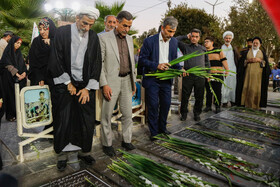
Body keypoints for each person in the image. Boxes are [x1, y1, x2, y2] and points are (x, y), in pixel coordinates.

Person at [48, 6, 102, 171]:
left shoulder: (93, 37)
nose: (87, 28)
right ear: (77, 18)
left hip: (85, 86)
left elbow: (96, 63)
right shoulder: (62, 32)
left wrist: (87, 88)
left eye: (90, 25)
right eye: (84, 23)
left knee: (85, 120)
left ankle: (84, 152)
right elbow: (55, 59)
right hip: (64, 84)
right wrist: (67, 83)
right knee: (63, 119)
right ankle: (62, 155)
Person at [99, 11, 136, 157]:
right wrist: (104, 84)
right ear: (117, 22)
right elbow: (99, 63)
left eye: (129, 26)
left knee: (128, 114)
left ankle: (127, 140)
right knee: (106, 115)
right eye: (125, 25)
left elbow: (132, 62)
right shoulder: (103, 38)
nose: (127, 29)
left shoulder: (130, 39)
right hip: (111, 82)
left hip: (127, 81)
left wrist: (133, 82)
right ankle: (107, 144)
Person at [138, 16, 181, 140]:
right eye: (169, 31)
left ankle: (162, 128)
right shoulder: (149, 41)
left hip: (166, 79)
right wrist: (157, 65)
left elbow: (174, 60)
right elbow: (142, 60)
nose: (171, 35)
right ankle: (154, 132)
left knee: (166, 104)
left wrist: (179, 69)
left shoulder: (174, 42)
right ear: (162, 28)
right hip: (152, 78)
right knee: (153, 105)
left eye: (173, 32)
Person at [177, 29, 209, 121]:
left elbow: (207, 62)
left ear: (199, 38)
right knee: (185, 96)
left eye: (196, 37)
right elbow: (175, 40)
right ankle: (184, 114)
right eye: (192, 36)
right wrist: (185, 36)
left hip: (200, 76)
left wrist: (208, 74)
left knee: (199, 96)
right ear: (190, 36)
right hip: (188, 75)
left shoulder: (203, 49)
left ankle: (197, 113)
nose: (194, 38)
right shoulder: (185, 47)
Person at [236, 37, 270, 109]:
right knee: (246, 88)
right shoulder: (246, 52)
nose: (255, 44)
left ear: (260, 45)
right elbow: (241, 64)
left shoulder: (262, 53)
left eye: (256, 43)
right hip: (247, 75)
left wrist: (259, 60)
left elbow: (266, 65)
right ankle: (245, 104)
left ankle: (256, 105)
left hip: (258, 76)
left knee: (256, 90)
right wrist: (248, 61)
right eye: (254, 43)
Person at [0, 36, 27, 122]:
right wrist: (16, 73)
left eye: (20, 44)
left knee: (19, 96)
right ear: (12, 42)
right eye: (17, 43)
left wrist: (24, 73)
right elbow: (5, 63)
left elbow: (23, 65)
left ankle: (19, 114)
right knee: (10, 97)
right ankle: (10, 115)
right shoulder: (7, 52)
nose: (18, 45)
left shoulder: (19, 53)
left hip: (19, 79)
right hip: (8, 80)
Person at [203, 36, 229, 113]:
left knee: (217, 91)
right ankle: (208, 106)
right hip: (207, 75)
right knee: (208, 91)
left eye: (207, 41)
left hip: (218, 74)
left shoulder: (218, 51)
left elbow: (224, 61)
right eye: (205, 42)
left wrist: (227, 70)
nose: (205, 43)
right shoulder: (203, 52)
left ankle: (217, 106)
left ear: (212, 43)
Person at [28, 17, 56, 86]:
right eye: (40, 29)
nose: (42, 32)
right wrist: (39, 77)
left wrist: (52, 44)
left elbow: (61, 59)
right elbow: (33, 62)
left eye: (45, 29)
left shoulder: (57, 41)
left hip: (55, 80)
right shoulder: (36, 42)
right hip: (39, 80)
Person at [220, 31, 239, 107]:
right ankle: (224, 102)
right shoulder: (220, 48)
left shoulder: (234, 48)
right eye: (226, 38)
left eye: (229, 38)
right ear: (224, 38)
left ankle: (232, 101)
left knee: (232, 86)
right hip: (223, 70)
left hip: (233, 70)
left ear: (232, 39)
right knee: (224, 86)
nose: (228, 40)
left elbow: (237, 59)